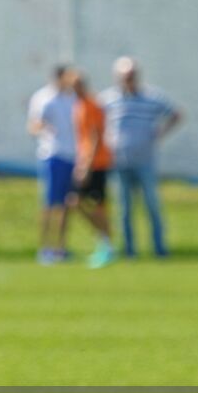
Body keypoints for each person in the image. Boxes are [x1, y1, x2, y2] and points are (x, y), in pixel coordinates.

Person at [100, 57, 182, 258]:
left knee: (152, 206)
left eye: (131, 76)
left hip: (145, 160)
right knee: (124, 209)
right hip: (119, 161)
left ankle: (159, 248)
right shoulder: (108, 99)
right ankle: (129, 250)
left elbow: (175, 114)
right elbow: (95, 122)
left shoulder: (151, 97)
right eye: (124, 77)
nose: (128, 80)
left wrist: (159, 134)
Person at [27, 66, 78, 265]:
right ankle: (44, 248)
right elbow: (33, 125)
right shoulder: (43, 97)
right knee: (50, 204)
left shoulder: (73, 97)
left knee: (67, 204)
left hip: (72, 156)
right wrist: (43, 127)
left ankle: (61, 248)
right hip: (53, 155)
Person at [71, 69, 116, 268]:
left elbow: (96, 136)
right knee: (81, 203)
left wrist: (86, 166)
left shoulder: (91, 104)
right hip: (88, 162)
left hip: (97, 163)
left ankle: (106, 245)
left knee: (90, 204)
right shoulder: (79, 105)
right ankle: (104, 242)